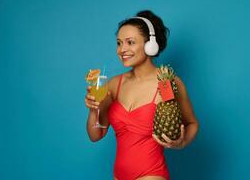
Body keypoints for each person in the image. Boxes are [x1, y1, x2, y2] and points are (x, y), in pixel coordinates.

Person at [84, 10, 199, 180]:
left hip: (151, 174)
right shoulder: (115, 84)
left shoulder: (167, 82)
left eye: (130, 42)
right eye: (119, 43)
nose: (122, 49)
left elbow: (191, 123)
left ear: (149, 45)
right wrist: (94, 110)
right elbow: (96, 135)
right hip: (118, 175)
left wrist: (181, 143)